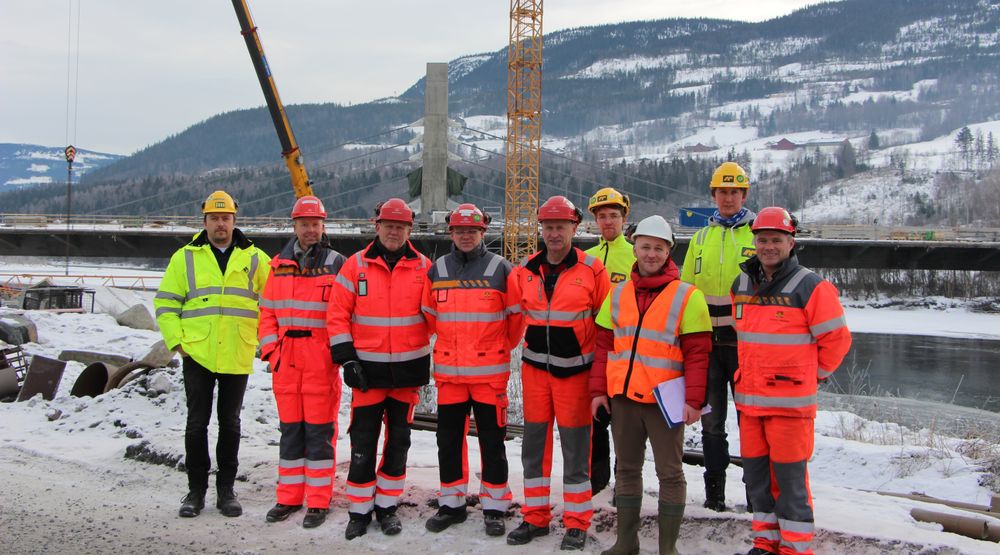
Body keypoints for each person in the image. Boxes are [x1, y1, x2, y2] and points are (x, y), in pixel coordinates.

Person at [589, 215, 712, 555]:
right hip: (625, 399)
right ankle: (626, 542)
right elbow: (603, 347)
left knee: (670, 473)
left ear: (669, 251)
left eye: (658, 248)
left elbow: (699, 354)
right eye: (645, 247)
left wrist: (694, 401)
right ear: (635, 249)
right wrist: (598, 392)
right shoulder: (617, 294)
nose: (651, 254)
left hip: (664, 401)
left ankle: (667, 548)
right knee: (626, 469)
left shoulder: (688, 296)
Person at [731, 207, 851, 555]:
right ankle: (766, 542)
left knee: (789, 481)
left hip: (790, 407)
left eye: (776, 240)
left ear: (791, 242)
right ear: (754, 242)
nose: (769, 246)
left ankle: (795, 548)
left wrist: (812, 377)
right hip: (751, 404)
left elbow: (837, 341)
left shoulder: (811, 286)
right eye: (763, 239)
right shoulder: (741, 283)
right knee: (757, 479)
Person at [154, 189, 270, 518]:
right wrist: (177, 342)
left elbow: (273, 303)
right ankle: (195, 491)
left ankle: (226, 491)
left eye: (226, 218)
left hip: (236, 350)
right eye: (214, 218)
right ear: (204, 221)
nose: (220, 224)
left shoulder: (256, 259)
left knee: (230, 425)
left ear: (235, 220)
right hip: (197, 353)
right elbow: (165, 303)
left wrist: (265, 341)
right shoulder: (185, 257)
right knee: (196, 425)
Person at [507, 195, 612, 551]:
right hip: (535, 373)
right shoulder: (526, 270)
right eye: (548, 227)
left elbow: (605, 326)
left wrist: (602, 374)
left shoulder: (592, 270)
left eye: (560, 227)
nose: (554, 234)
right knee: (534, 449)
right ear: (542, 229)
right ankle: (535, 517)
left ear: (574, 228)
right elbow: (515, 315)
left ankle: (577, 522)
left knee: (576, 451)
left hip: (576, 377)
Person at [326, 198, 432, 540]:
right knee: (363, 442)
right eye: (388, 225)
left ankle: (387, 507)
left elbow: (436, 318)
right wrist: (347, 360)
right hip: (366, 376)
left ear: (409, 230)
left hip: (406, 376)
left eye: (400, 227)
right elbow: (337, 316)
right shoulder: (354, 266)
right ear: (377, 226)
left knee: (399, 442)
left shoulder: (424, 268)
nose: (394, 231)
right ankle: (358, 511)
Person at [421, 203, 525, 537]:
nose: (466, 236)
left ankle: (495, 506)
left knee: (492, 442)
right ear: (451, 233)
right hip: (450, 375)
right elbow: (429, 315)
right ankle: (451, 503)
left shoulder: (501, 269)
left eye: (472, 231)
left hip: (489, 375)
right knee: (448, 441)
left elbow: (515, 320)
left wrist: (494, 348)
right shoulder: (437, 269)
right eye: (460, 231)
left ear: (483, 233)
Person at [258, 196, 346, 529]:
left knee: (320, 433)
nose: (310, 230)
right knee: (291, 432)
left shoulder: (338, 264)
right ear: (294, 226)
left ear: (324, 226)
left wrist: (335, 353)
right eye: (304, 224)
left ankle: (319, 501)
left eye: (315, 224)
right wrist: (272, 352)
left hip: (320, 361)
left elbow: (346, 313)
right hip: (286, 363)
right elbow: (266, 313)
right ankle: (289, 496)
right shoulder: (277, 265)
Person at [680, 161, 756, 512]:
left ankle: (757, 499)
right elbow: (685, 293)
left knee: (751, 422)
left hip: (745, 347)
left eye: (734, 192)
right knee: (712, 425)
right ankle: (715, 498)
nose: (728, 198)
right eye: (722, 192)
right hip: (707, 346)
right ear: (713, 194)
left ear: (744, 194)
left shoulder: (758, 236)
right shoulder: (699, 238)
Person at [584, 187, 636, 495]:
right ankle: (597, 480)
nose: (608, 222)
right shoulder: (587, 259)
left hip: (625, 350)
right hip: (593, 349)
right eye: (602, 217)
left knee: (625, 423)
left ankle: (624, 484)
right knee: (595, 419)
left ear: (624, 218)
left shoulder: (635, 256)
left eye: (613, 216)